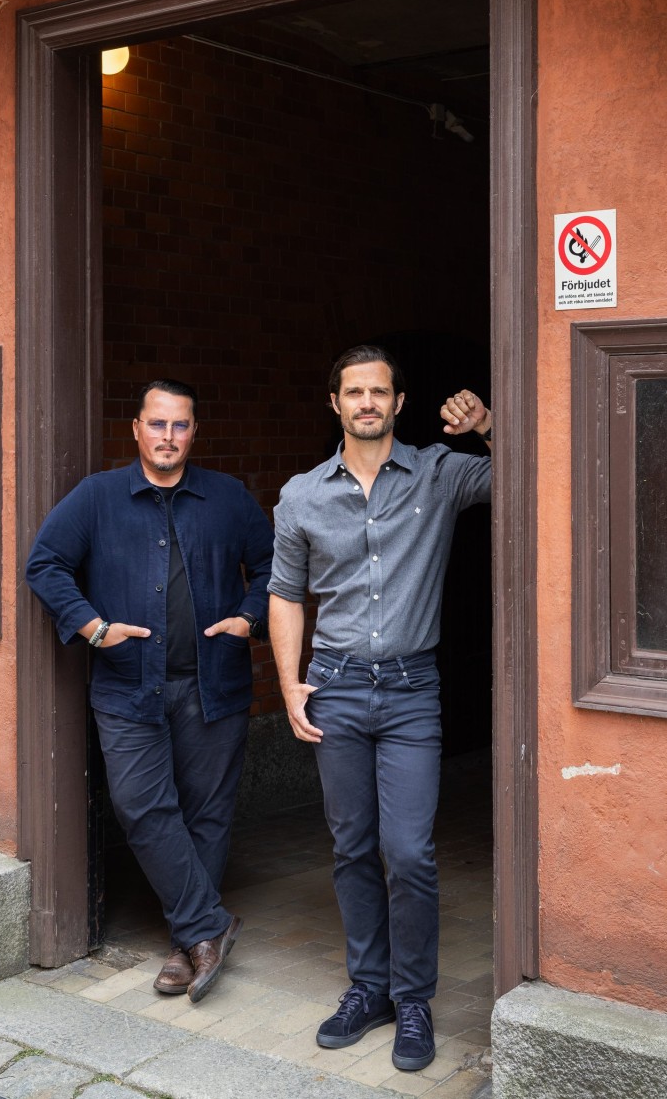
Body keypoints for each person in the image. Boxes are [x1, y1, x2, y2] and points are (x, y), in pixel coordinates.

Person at [267, 345, 492, 1072]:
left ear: (399, 402)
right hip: (333, 685)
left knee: (410, 852)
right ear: (335, 403)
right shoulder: (301, 495)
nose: (367, 402)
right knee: (353, 846)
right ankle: (370, 988)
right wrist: (289, 683)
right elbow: (284, 593)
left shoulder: (439, 472)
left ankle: (415, 998)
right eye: (354, 392)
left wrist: (490, 424)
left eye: (380, 392)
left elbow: (537, 471)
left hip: (410, 693)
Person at [25, 379, 273, 1004]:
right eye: (157, 424)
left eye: (180, 426)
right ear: (135, 428)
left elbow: (275, 566)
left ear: (195, 432)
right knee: (140, 806)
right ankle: (208, 927)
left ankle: (187, 944)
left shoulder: (227, 498)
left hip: (213, 683)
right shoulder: (98, 497)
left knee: (207, 814)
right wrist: (94, 628)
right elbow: (45, 563)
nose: (168, 437)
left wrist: (250, 616)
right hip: (127, 687)